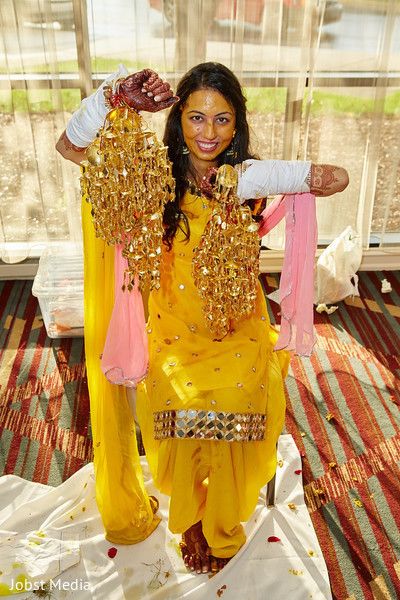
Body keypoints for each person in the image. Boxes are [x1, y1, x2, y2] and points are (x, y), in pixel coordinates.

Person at [56, 62, 348, 574]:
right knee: (177, 404)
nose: (207, 133)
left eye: (221, 120)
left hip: (236, 326)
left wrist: (288, 175)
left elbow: (338, 179)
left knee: (240, 398)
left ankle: (221, 524)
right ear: (177, 121)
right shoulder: (151, 175)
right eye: (195, 118)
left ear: (237, 125)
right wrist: (111, 97)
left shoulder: (247, 178)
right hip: (172, 330)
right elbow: (69, 148)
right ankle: (192, 522)